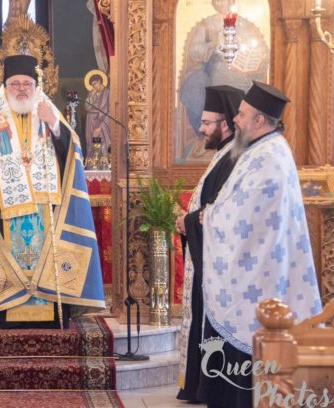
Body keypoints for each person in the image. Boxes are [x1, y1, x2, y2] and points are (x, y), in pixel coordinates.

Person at [0, 55, 105, 329]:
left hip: (47, 209)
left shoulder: (48, 113)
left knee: (46, 261)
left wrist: (54, 125)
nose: (21, 89)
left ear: (36, 86)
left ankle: (49, 314)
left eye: (27, 84)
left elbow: (71, 155)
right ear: (5, 87)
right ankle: (5, 314)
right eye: (15, 84)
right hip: (6, 210)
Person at [199, 81, 322, 407]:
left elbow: (245, 217)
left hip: (260, 276)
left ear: (259, 120)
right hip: (262, 269)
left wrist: (211, 217)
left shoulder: (269, 156)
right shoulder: (261, 149)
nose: (235, 119)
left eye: (242, 114)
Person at [175, 85, 244, 403]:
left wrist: (188, 222)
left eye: (206, 122)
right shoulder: (223, 154)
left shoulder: (233, 158)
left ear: (225, 124)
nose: (201, 128)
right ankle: (199, 384)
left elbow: (221, 210)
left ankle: (207, 385)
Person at [176, 0, 269, 163]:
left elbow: (262, 52)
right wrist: (213, 45)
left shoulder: (247, 26)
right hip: (214, 70)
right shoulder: (206, 25)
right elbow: (195, 51)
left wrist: (256, 59)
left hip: (244, 74)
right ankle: (208, 137)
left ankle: (239, 139)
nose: (222, 2)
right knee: (197, 89)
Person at [84, 72, 110, 161]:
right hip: (91, 120)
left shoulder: (107, 92)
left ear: (99, 81)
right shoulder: (92, 93)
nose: (94, 86)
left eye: (95, 83)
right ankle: (92, 160)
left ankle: (103, 160)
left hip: (102, 119)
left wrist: (101, 125)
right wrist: (91, 95)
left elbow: (108, 109)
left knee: (101, 139)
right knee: (91, 140)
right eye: (92, 85)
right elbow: (87, 107)